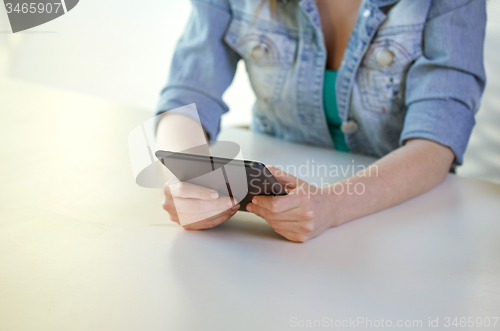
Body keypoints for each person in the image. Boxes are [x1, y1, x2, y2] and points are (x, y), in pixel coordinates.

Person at [155, 0, 486, 242]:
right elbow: (187, 98)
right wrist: (187, 177)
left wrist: (332, 206)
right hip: (269, 234)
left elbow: (437, 141)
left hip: (400, 223)